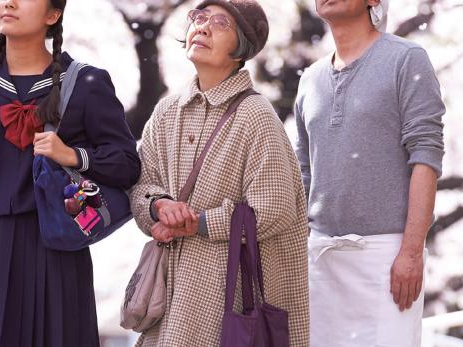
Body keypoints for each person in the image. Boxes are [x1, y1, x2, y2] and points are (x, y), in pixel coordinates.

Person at [0, 0, 140, 345]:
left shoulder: (87, 83)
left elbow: (126, 164)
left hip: (58, 247)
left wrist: (74, 155)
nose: (8, 3)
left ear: (52, 14)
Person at [129, 1, 309, 346]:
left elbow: (275, 208)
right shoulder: (167, 110)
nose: (203, 27)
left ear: (242, 46)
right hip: (169, 294)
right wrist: (158, 206)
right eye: (198, 18)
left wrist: (200, 222)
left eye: (220, 23)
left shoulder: (256, 115)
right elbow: (141, 182)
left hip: (227, 293)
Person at [293, 1, 445, 345]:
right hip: (319, 261)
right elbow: (303, 173)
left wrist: (410, 252)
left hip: (387, 259)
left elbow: (426, 155)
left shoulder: (406, 60)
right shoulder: (312, 79)